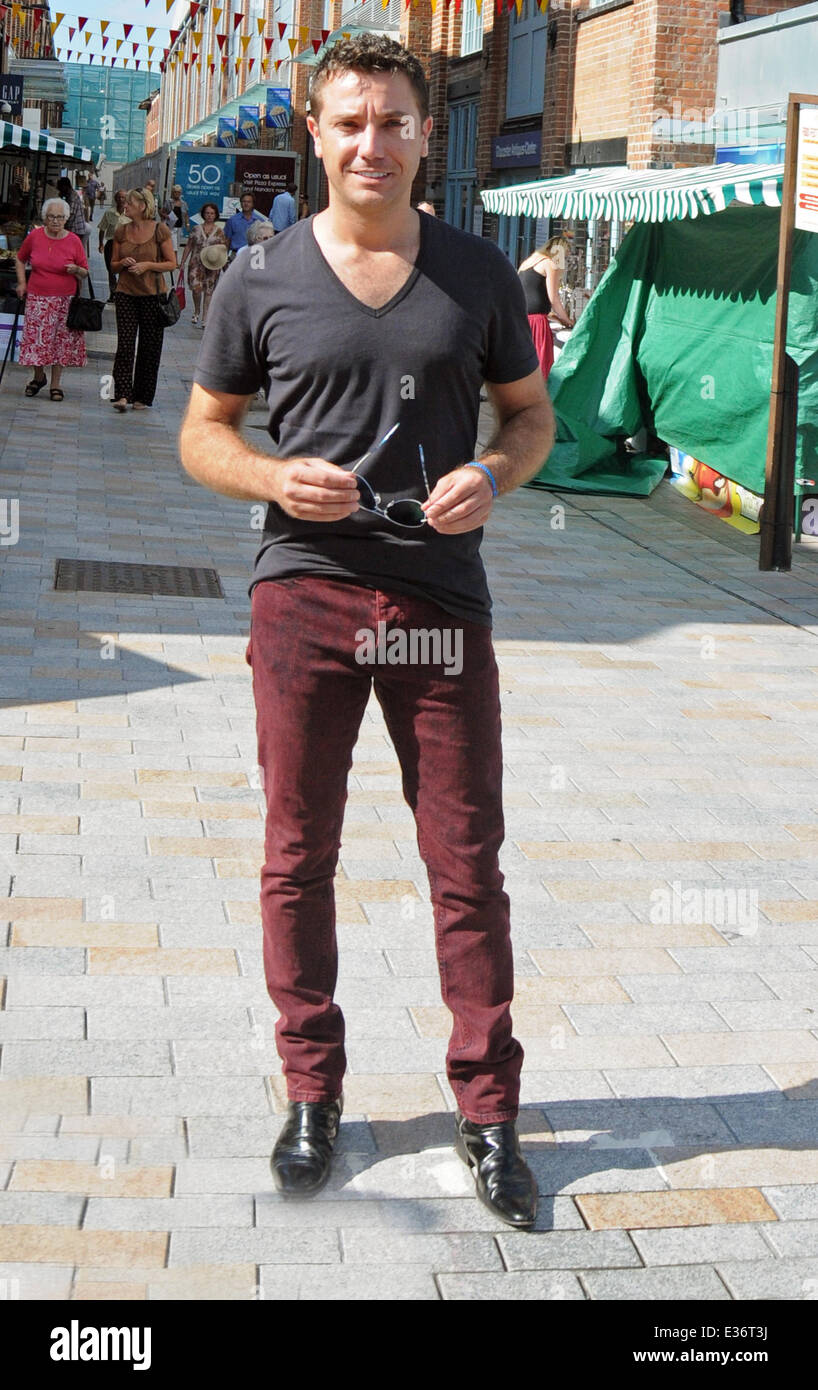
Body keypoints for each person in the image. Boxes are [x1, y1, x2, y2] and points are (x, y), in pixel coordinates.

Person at [180, 34, 554, 1229]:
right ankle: (310, 1092)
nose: (373, 143)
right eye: (350, 122)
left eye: (393, 121)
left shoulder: (477, 273)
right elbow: (201, 433)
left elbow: (530, 415)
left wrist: (494, 476)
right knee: (298, 853)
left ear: (417, 132)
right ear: (315, 130)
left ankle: (487, 1113)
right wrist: (272, 481)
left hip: (439, 603)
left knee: (464, 861)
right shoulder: (262, 276)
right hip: (305, 595)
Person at [14, 196, 89, 401]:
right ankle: (39, 377)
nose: (55, 221)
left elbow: (85, 272)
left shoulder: (74, 240)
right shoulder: (35, 237)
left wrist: (76, 269)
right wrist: (22, 283)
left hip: (65, 300)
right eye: (51, 217)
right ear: (45, 218)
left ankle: (56, 384)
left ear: (66, 218)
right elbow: (20, 259)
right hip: (38, 298)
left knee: (61, 343)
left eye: (60, 217)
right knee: (36, 342)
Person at [109, 187, 176, 412]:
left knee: (150, 346)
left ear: (143, 206)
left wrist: (147, 265)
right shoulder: (121, 231)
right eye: (125, 202)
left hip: (153, 296)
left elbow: (171, 263)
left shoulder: (160, 230)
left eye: (129, 203)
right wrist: (123, 264)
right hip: (126, 293)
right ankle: (121, 395)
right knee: (125, 345)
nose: (125, 205)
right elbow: (113, 265)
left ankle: (142, 397)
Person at [517, 234, 573, 379]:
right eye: (566, 256)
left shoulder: (528, 262)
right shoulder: (549, 263)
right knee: (541, 366)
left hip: (521, 319)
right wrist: (567, 320)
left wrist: (556, 317)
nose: (565, 260)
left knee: (524, 365)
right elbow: (553, 298)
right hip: (537, 322)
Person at [178, 202, 228, 327]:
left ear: (215, 215)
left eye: (212, 213)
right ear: (203, 214)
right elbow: (189, 245)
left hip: (212, 263)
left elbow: (223, 248)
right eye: (207, 213)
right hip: (196, 263)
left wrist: (224, 265)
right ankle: (196, 310)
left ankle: (205, 317)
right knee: (196, 288)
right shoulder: (196, 229)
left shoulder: (219, 231)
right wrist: (182, 261)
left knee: (209, 291)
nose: (209, 215)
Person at [98, 189, 128, 301]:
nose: (121, 200)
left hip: (125, 245)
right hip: (111, 244)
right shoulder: (109, 213)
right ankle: (113, 292)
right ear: (115, 199)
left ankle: (121, 292)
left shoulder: (130, 214)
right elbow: (102, 229)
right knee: (111, 270)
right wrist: (101, 243)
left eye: (123, 197)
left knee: (123, 270)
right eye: (119, 197)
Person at [222, 191, 264, 255]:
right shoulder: (232, 220)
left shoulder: (260, 221)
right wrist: (225, 256)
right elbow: (227, 240)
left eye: (249, 202)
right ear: (240, 203)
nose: (246, 204)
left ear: (253, 204)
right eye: (244, 201)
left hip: (254, 255)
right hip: (235, 255)